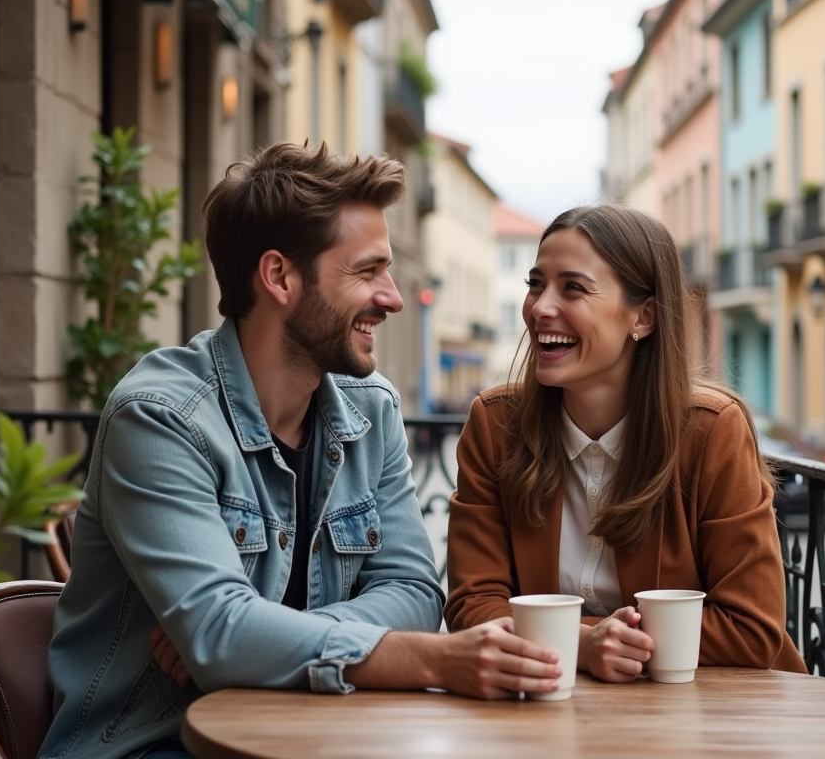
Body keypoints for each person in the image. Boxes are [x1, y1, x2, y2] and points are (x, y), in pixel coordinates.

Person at [40, 143, 563, 759]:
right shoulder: (159, 418)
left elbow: (416, 593)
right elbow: (220, 632)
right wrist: (434, 659)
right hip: (154, 740)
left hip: (316, 728)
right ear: (279, 276)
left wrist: (257, 637)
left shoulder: (372, 410)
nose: (392, 298)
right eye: (367, 272)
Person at [445, 204, 807, 682]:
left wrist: (589, 641)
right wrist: (583, 643)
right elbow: (472, 607)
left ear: (645, 316)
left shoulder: (713, 431)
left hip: (714, 717)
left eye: (572, 288)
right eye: (536, 284)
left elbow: (751, 629)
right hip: (551, 714)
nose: (540, 307)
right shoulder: (495, 427)